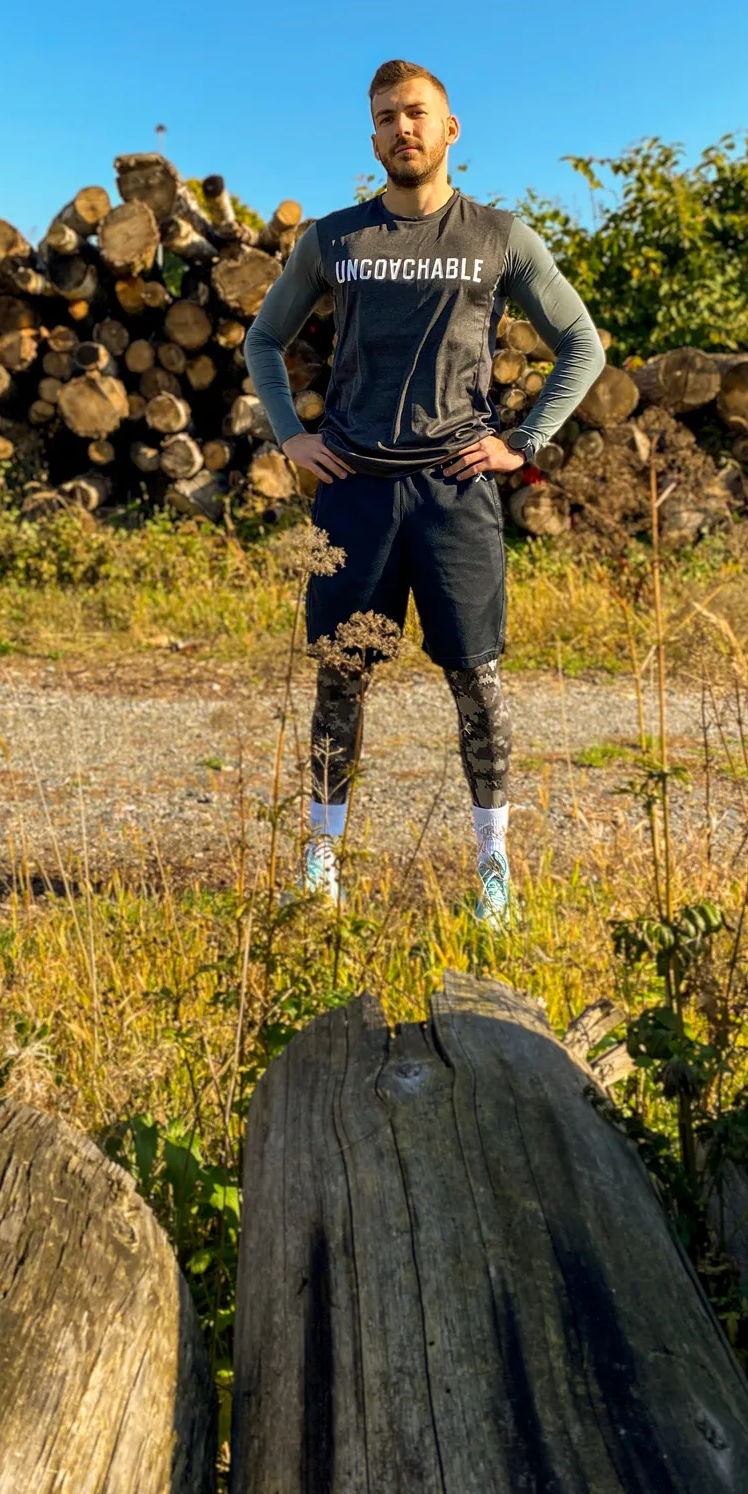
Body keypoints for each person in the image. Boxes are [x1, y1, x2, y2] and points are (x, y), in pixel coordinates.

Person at [244, 59, 606, 921]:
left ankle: (492, 868)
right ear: (372, 138)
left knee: (476, 681)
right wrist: (291, 436)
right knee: (341, 677)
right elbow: (265, 341)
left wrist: (524, 444)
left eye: (415, 114)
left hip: (454, 493)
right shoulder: (333, 240)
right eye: (384, 118)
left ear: (450, 131)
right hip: (355, 492)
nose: (400, 128)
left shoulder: (500, 236)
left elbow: (581, 344)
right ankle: (321, 861)